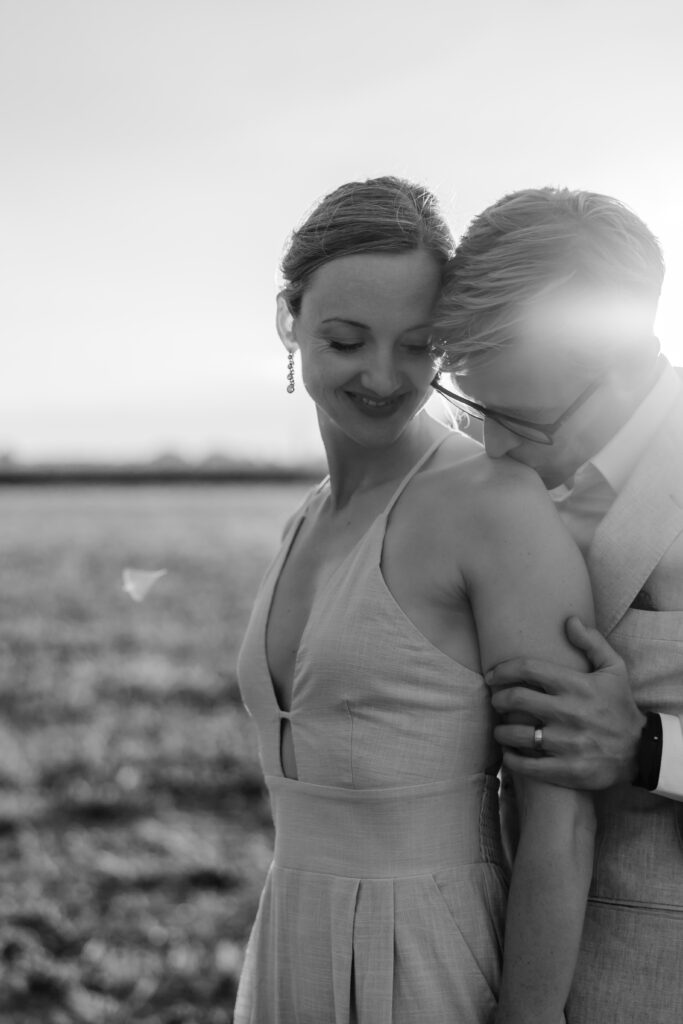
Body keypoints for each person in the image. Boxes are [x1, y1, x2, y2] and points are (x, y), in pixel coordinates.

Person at [234, 176, 596, 1024]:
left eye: (417, 345)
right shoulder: (305, 520)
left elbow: (560, 827)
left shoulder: (493, 507)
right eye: (347, 339)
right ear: (289, 319)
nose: (383, 376)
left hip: (429, 963)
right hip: (289, 943)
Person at [431, 186, 683, 1024]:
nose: (493, 445)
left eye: (520, 418)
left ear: (622, 353)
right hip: (476, 969)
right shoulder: (483, 492)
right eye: (472, 408)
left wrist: (649, 749)